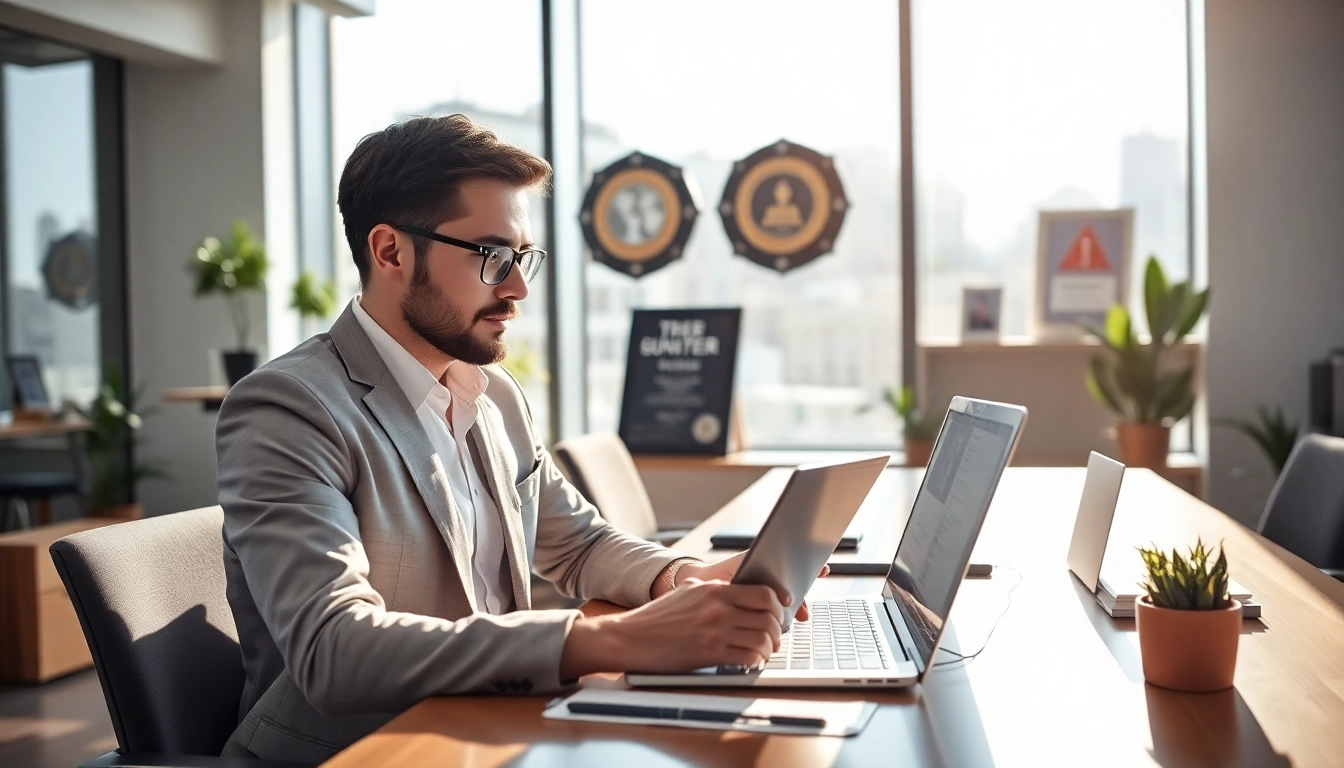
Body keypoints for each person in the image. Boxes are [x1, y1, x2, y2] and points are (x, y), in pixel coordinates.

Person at [215, 114, 815, 763]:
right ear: (390, 252)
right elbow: (333, 651)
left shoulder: (492, 395)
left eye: (523, 256)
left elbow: (577, 542)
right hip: (361, 750)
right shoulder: (288, 407)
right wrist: (616, 641)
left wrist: (681, 578)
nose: (519, 287)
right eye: (492, 256)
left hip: (493, 728)